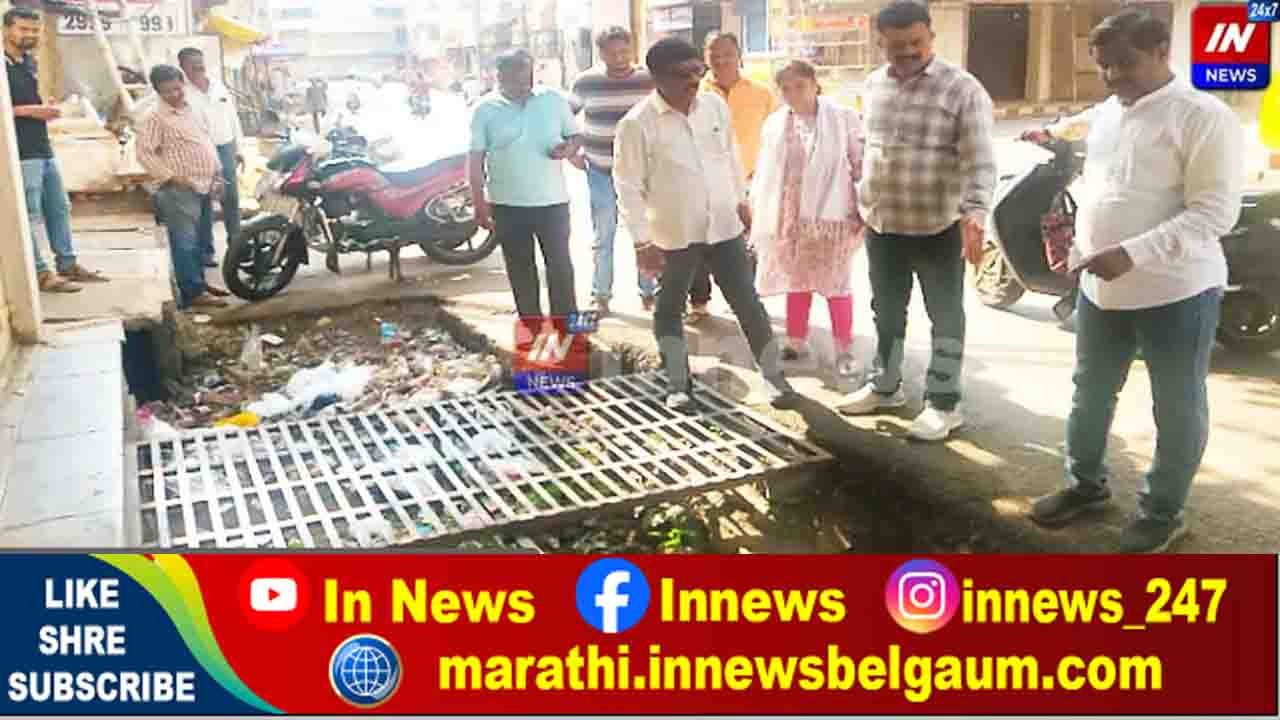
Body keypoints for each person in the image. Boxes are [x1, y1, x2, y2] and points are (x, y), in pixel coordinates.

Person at [1024, 11, 1243, 553]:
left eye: (1125, 63)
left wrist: (1133, 253)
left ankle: (1162, 512)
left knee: (1177, 405)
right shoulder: (1107, 113)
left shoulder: (1202, 117)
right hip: (1102, 288)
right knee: (1091, 391)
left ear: (1163, 50)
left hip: (1177, 292)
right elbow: (1097, 168)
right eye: (1104, 66)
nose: (1113, 76)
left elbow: (1215, 213)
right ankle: (1085, 486)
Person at [836, 0, 995, 443]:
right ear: (880, 42)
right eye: (896, 45)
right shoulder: (873, 85)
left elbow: (980, 160)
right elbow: (871, 150)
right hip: (884, 226)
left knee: (945, 317)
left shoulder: (962, 89)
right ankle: (886, 386)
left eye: (916, 43)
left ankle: (944, 403)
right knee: (886, 312)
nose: (907, 52)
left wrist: (976, 213)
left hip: (937, 227)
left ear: (931, 37)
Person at [614, 37, 797, 413]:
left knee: (747, 302)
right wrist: (642, 243)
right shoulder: (636, 124)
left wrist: (742, 201)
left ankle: (774, 376)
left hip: (723, 226)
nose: (693, 80)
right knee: (669, 309)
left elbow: (729, 155)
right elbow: (628, 187)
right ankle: (678, 384)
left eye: (697, 71)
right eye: (682, 74)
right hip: (674, 234)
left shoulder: (713, 106)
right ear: (657, 77)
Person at [750, 60, 865, 380]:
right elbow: (765, 171)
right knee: (796, 279)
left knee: (836, 283)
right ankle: (796, 341)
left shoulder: (842, 118)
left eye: (800, 86)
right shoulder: (776, 124)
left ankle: (843, 348)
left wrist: (863, 208)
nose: (793, 94)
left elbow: (860, 163)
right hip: (789, 216)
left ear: (815, 84)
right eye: (785, 88)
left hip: (834, 217)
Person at [469, 49, 582, 326]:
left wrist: (568, 149)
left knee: (560, 266)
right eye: (516, 79)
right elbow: (475, 159)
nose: (524, 84)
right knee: (520, 269)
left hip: (552, 202)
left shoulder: (553, 99)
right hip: (507, 205)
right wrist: (479, 202)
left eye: (528, 77)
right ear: (499, 76)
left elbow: (575, 135)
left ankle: (567, 327)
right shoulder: (484, 109)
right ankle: (531, 325)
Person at [4, 7, 108, 294]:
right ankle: (40, 272)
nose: (30, 35)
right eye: (23, 29)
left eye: (34, 30)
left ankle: (67, 263)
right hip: (20, 151)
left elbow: (25, 104)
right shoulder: (2, 65)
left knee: (59, 207)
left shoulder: (27, 62)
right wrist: (32, 110)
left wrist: (43, 107)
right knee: (29, 215)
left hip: (41, 146)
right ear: (6, 30)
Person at [685, 32, 780, 325]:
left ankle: (744, 300)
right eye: (714, 55)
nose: (721, 61)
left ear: (739, 55)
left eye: (727, 54)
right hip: (704, 183)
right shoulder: (692, 93)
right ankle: (699, 301)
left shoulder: (762, 93)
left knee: (746, 244)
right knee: (698, 241)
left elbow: (776, 135)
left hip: (750, 179)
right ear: (705, 57)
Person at [568, 26, 658, 317]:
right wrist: (572, 151)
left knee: (644, 233)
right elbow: (564, 118)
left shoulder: (648, 79)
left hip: (641, 172)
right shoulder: (586, 82)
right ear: (601, 53)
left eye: (624, 51)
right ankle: (601, 295)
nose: (620, 58)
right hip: (600, 170)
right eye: (612, 53)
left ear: (632, 48)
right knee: (603, 235)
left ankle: (650, 292)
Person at [136, 64, 230, 310]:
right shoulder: (154, 117)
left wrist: (218, 173)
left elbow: (205, 142)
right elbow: (144, 153)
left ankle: (199, 284)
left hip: (204, 184)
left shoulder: (190, 109)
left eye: (177, 89)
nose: (174, 95)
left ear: (183, 85)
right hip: (179, 189)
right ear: (157, 91)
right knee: (184, 242)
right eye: (167, 91)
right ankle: (192, 292)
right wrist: (172, 177)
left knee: (199, 240)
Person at [177, 47, 244, 265]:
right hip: (199, 151)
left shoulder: (218, 86)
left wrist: (239, 149)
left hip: (225, 146)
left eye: (200, 62)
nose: (198, 67)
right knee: (204, 200)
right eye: (192, 63)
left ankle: (237, 246)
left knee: (231, 198)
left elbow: (233, 117)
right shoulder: (181, 92)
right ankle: (206, 251)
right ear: (183, 67)